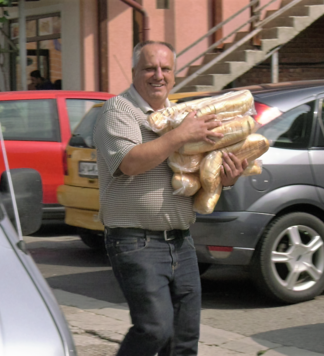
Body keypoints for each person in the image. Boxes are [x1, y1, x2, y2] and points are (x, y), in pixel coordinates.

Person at [93, 40, 248, 356]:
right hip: (136, 242)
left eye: (165, 69)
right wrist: (180, 136)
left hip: (181, 241)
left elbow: (191, 179)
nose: (158, 75)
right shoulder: (119, 110)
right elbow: (130, 162)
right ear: (135, 71)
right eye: (149, 68)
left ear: (174, 74)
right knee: (154, 328)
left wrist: (223, 179)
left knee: (183, 340)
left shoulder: (180, 116)